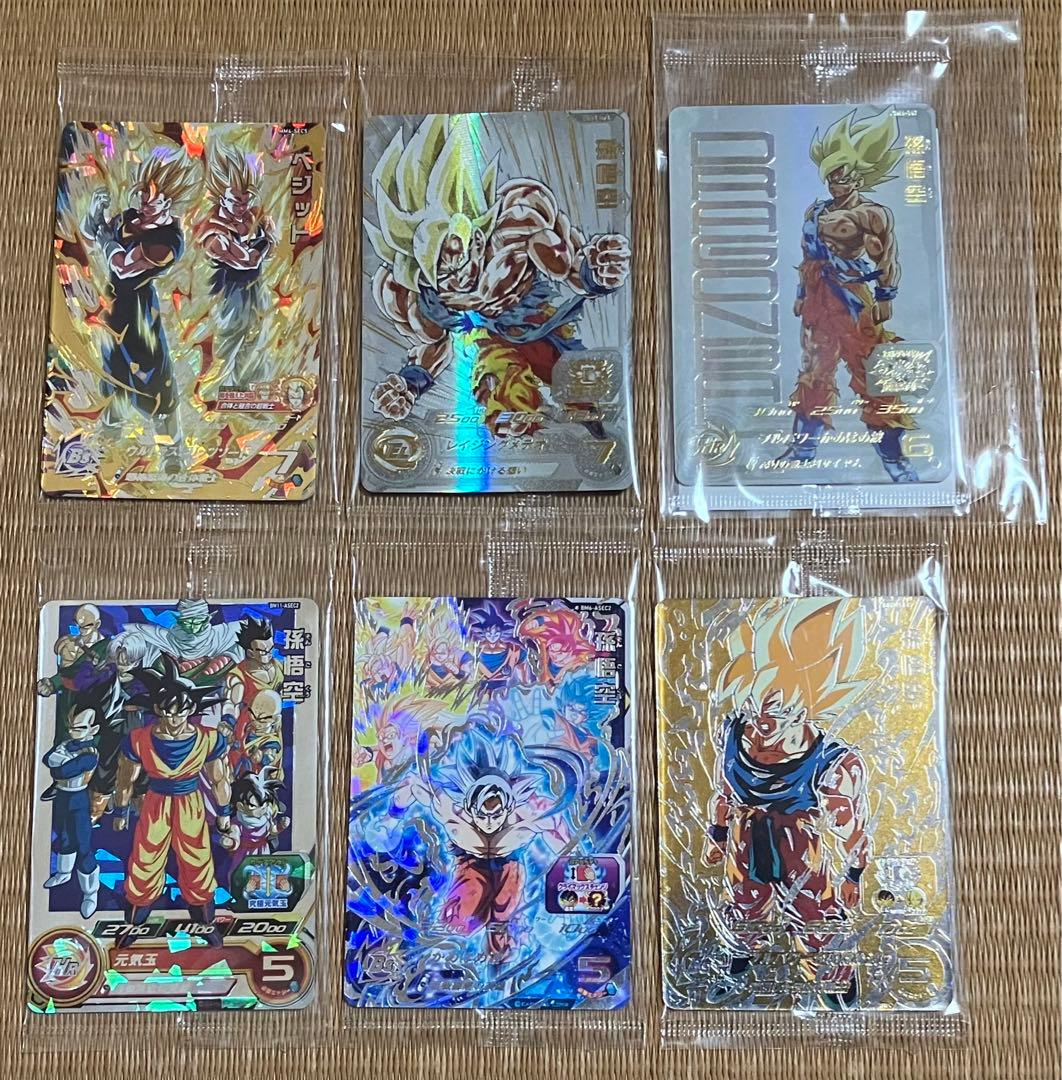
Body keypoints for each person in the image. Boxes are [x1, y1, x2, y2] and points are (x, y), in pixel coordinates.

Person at [778, 110, 917, 482]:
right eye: (832, 175)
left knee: (874, 374)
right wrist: (801, 293)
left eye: (843, 175)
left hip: (854, 300)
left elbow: (887, 257)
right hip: (818, 299)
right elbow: (808, 256)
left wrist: (886, 295)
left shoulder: (872, 214)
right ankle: (803, 449)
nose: (837, 182)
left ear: (858, 175)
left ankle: (894, 458)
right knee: (814, 372)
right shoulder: (816, 211)